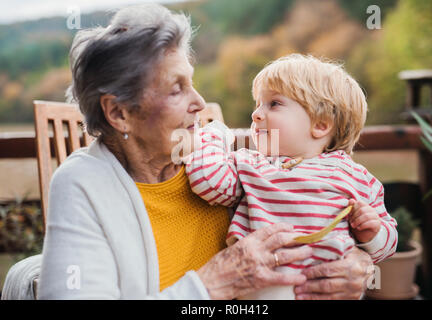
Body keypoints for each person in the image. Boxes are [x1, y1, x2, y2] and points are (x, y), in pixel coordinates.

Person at [36, 4, 373, 300]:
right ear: (119, 113)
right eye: (176, 89)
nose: (199, 103)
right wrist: (210, 286)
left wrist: (356, 262)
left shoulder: (224, 151)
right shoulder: (83, 184)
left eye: (192, 82)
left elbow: (312, 197)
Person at [185, 54, 397, 299]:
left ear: (320, 124)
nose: (256, 114)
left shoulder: (356, 177)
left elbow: (387, 246)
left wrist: (372, 233)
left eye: (273, 103)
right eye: (258, 104)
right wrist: (214, 135)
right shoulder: (250, 164)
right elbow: (207, 181)